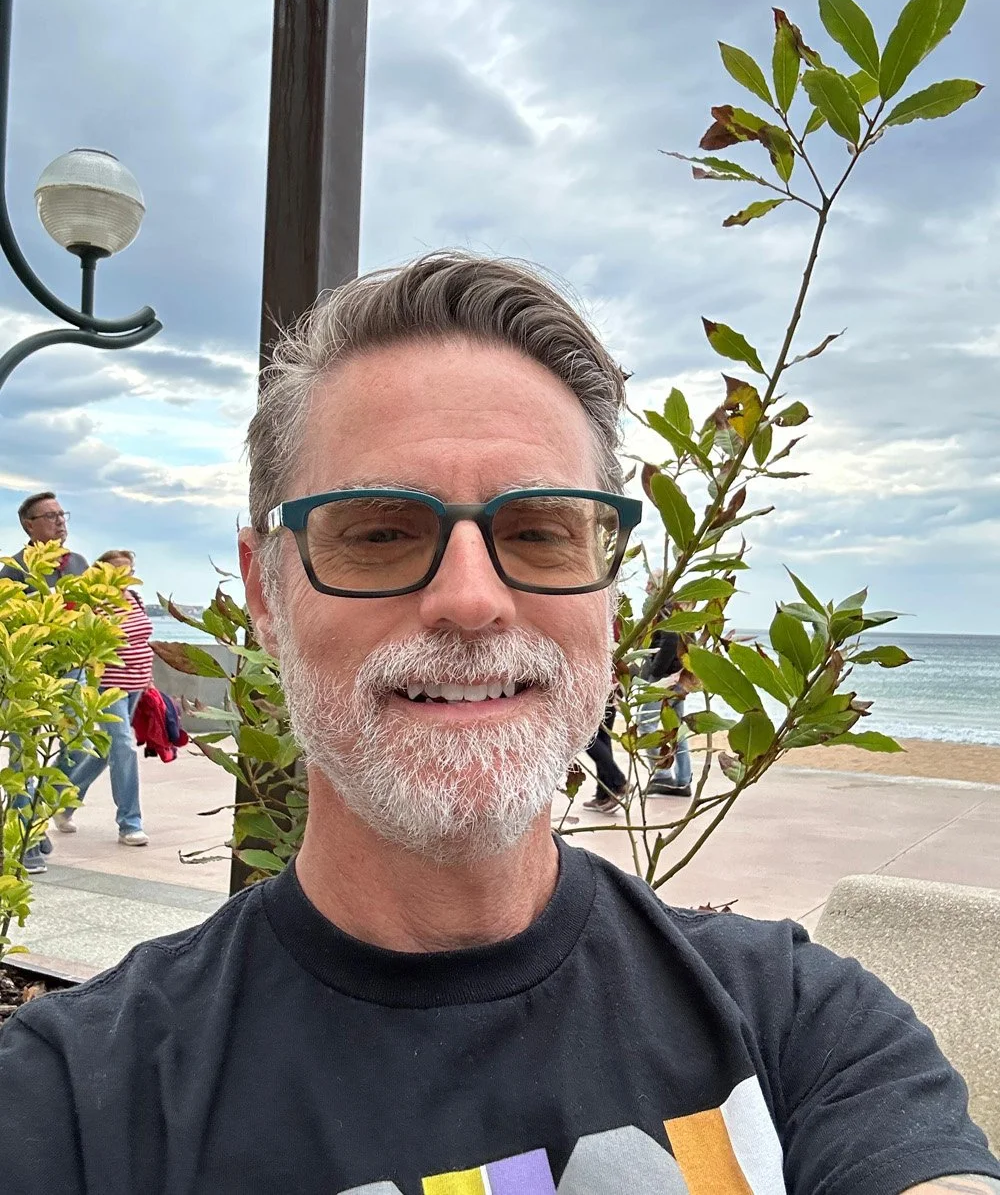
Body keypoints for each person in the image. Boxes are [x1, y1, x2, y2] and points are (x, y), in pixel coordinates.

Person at [0, 254, 996, 1195]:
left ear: (607, 584)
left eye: (539, 530)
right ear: (266, 590)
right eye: (381, 532)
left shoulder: (802, 1024)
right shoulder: (75, 1104)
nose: (471, 599)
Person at [0, 491, 88, 873]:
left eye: (61, 514)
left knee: (82, 743)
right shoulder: (14, 570)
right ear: (28, 525)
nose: (59, 521)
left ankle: (39, 813)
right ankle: (27, 842)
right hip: (28, 674)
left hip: (72, 670)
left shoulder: (80, 565)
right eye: (50, 516)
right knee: (24, 757)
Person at [55, 550, 151, 847]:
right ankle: (130, 823)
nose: (124, 576)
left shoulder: (134, 599)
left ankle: (66, 803)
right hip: (108, 686)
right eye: (116, 571)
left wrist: (149, 679)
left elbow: (142, 639)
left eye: (128, 569)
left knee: (108, 751)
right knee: (123, 746)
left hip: (136, 683)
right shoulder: (95, 604)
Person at [637, 578, 693, 797]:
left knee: (645, 723)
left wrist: (655, 673)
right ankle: (683, 779)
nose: (646, 586)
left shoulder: (666, 607)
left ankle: (662, 776)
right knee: (676, 729)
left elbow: (669, 640)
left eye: (650, 582)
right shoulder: (678, 608)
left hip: (667, 679)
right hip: (680, 677)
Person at [581, 693, 629, 812]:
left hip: (594, 690)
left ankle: (618, 781)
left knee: (585, 736)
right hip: (611, 690)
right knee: (603, 737)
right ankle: (604, 794)